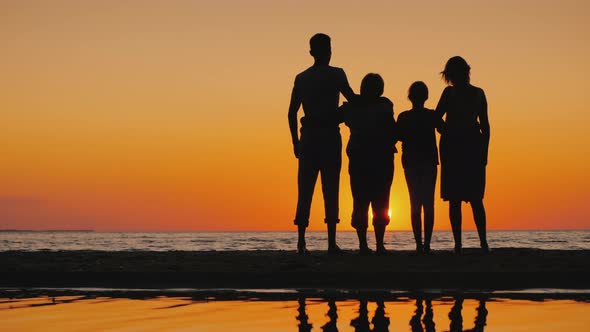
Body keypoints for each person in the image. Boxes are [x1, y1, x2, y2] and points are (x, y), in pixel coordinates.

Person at [288, 33, 356, 254]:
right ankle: (330, 242)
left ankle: (301, 242)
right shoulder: (337, 74)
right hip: (328, 135)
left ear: (311, 52)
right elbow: (353, 100)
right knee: (331, 187)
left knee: (305, 188)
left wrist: (295, 141)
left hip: (308, 136)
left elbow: (291, 113)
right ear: (329, 51)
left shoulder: (302, 78)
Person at [435, 56, 490, 253]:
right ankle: (461, 244)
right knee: (457, 199)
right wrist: (447, 131)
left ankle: (481, 243)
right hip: (455, 149)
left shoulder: (477, 93)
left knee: (473, 198)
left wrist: (484, 152)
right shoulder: (450, 93)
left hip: (470, 148)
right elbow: (436, 118)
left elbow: (485, 126)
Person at [341, 73, 395, 255]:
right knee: (380, 202)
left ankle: (364, 245)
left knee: (361, 201)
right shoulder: (385, 105)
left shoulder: (354, 107)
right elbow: (391, 129)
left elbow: (340, 117)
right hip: (380, 160)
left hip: (360, 160)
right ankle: (378, 245)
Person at [397, 82, 441, 254]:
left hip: (411, 162)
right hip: (429, 161)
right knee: (428, 202)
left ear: (410, 97)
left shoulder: (404, 117)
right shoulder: (432, 115)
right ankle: (427, 244)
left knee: (414, 202)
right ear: (426, 97)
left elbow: (396, 135)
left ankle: (418, 244)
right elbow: (444, 130)